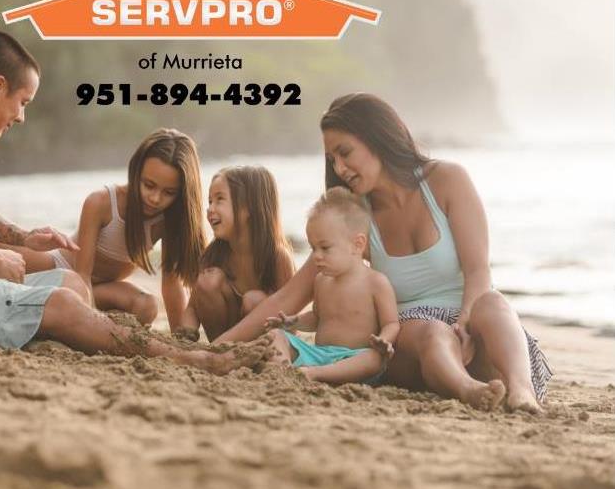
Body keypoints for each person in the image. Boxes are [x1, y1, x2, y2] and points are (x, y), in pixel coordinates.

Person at [0, 30, 269, 374]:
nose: (21, 116)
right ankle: (193, 361)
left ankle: (94, 335)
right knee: (63, 303)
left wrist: (20, 239)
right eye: (22, 102)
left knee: (69, 285)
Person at [214, 93, 552, 412]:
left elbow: (478, 272)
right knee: (431, 331)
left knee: (493, 302)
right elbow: (290, 296)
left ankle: (523, 393)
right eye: (332, 159)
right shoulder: (355, 217)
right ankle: (468, 391)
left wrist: (464, 325)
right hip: (411, 341)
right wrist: (221, 344)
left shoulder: (448, 180)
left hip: (474, 330)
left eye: (345, 153)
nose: (340, 168)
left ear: (377, 137)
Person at [0, 129, 206, 331]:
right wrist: (92, 325)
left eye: (169, 193)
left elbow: (172, 282)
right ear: (136, 172)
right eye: (149, 185)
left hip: (102, 288)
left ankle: (60, 307)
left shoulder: (171, 220)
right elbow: (82, 275)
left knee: (146, 306)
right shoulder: (102, 202)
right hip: (63, 268)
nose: (155, 198)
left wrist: (180, 336)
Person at [264, 187, 400, 385]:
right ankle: (283, 369)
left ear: (357, 244)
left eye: (325, 248)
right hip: (318, 355)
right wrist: (293, 322)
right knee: (275, 336)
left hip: (353, 359)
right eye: (313, 248)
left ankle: (314, 374)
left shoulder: (376, 282)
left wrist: (384, 340)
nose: (317, 256)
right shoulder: (321, 280)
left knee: (374, 359)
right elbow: (318, 318)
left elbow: (391, 323)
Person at [178, 166, 294, 342]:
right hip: (223, 342)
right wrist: (184, 336)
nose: (210, 209)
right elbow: (192, 309)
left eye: (219, 200)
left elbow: (290, 316)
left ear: (247, 208)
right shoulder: (213, 256)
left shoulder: (277, 257)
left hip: (264, 344)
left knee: (253, 300)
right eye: (209, 201)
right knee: (208, 280)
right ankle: (220, 349)